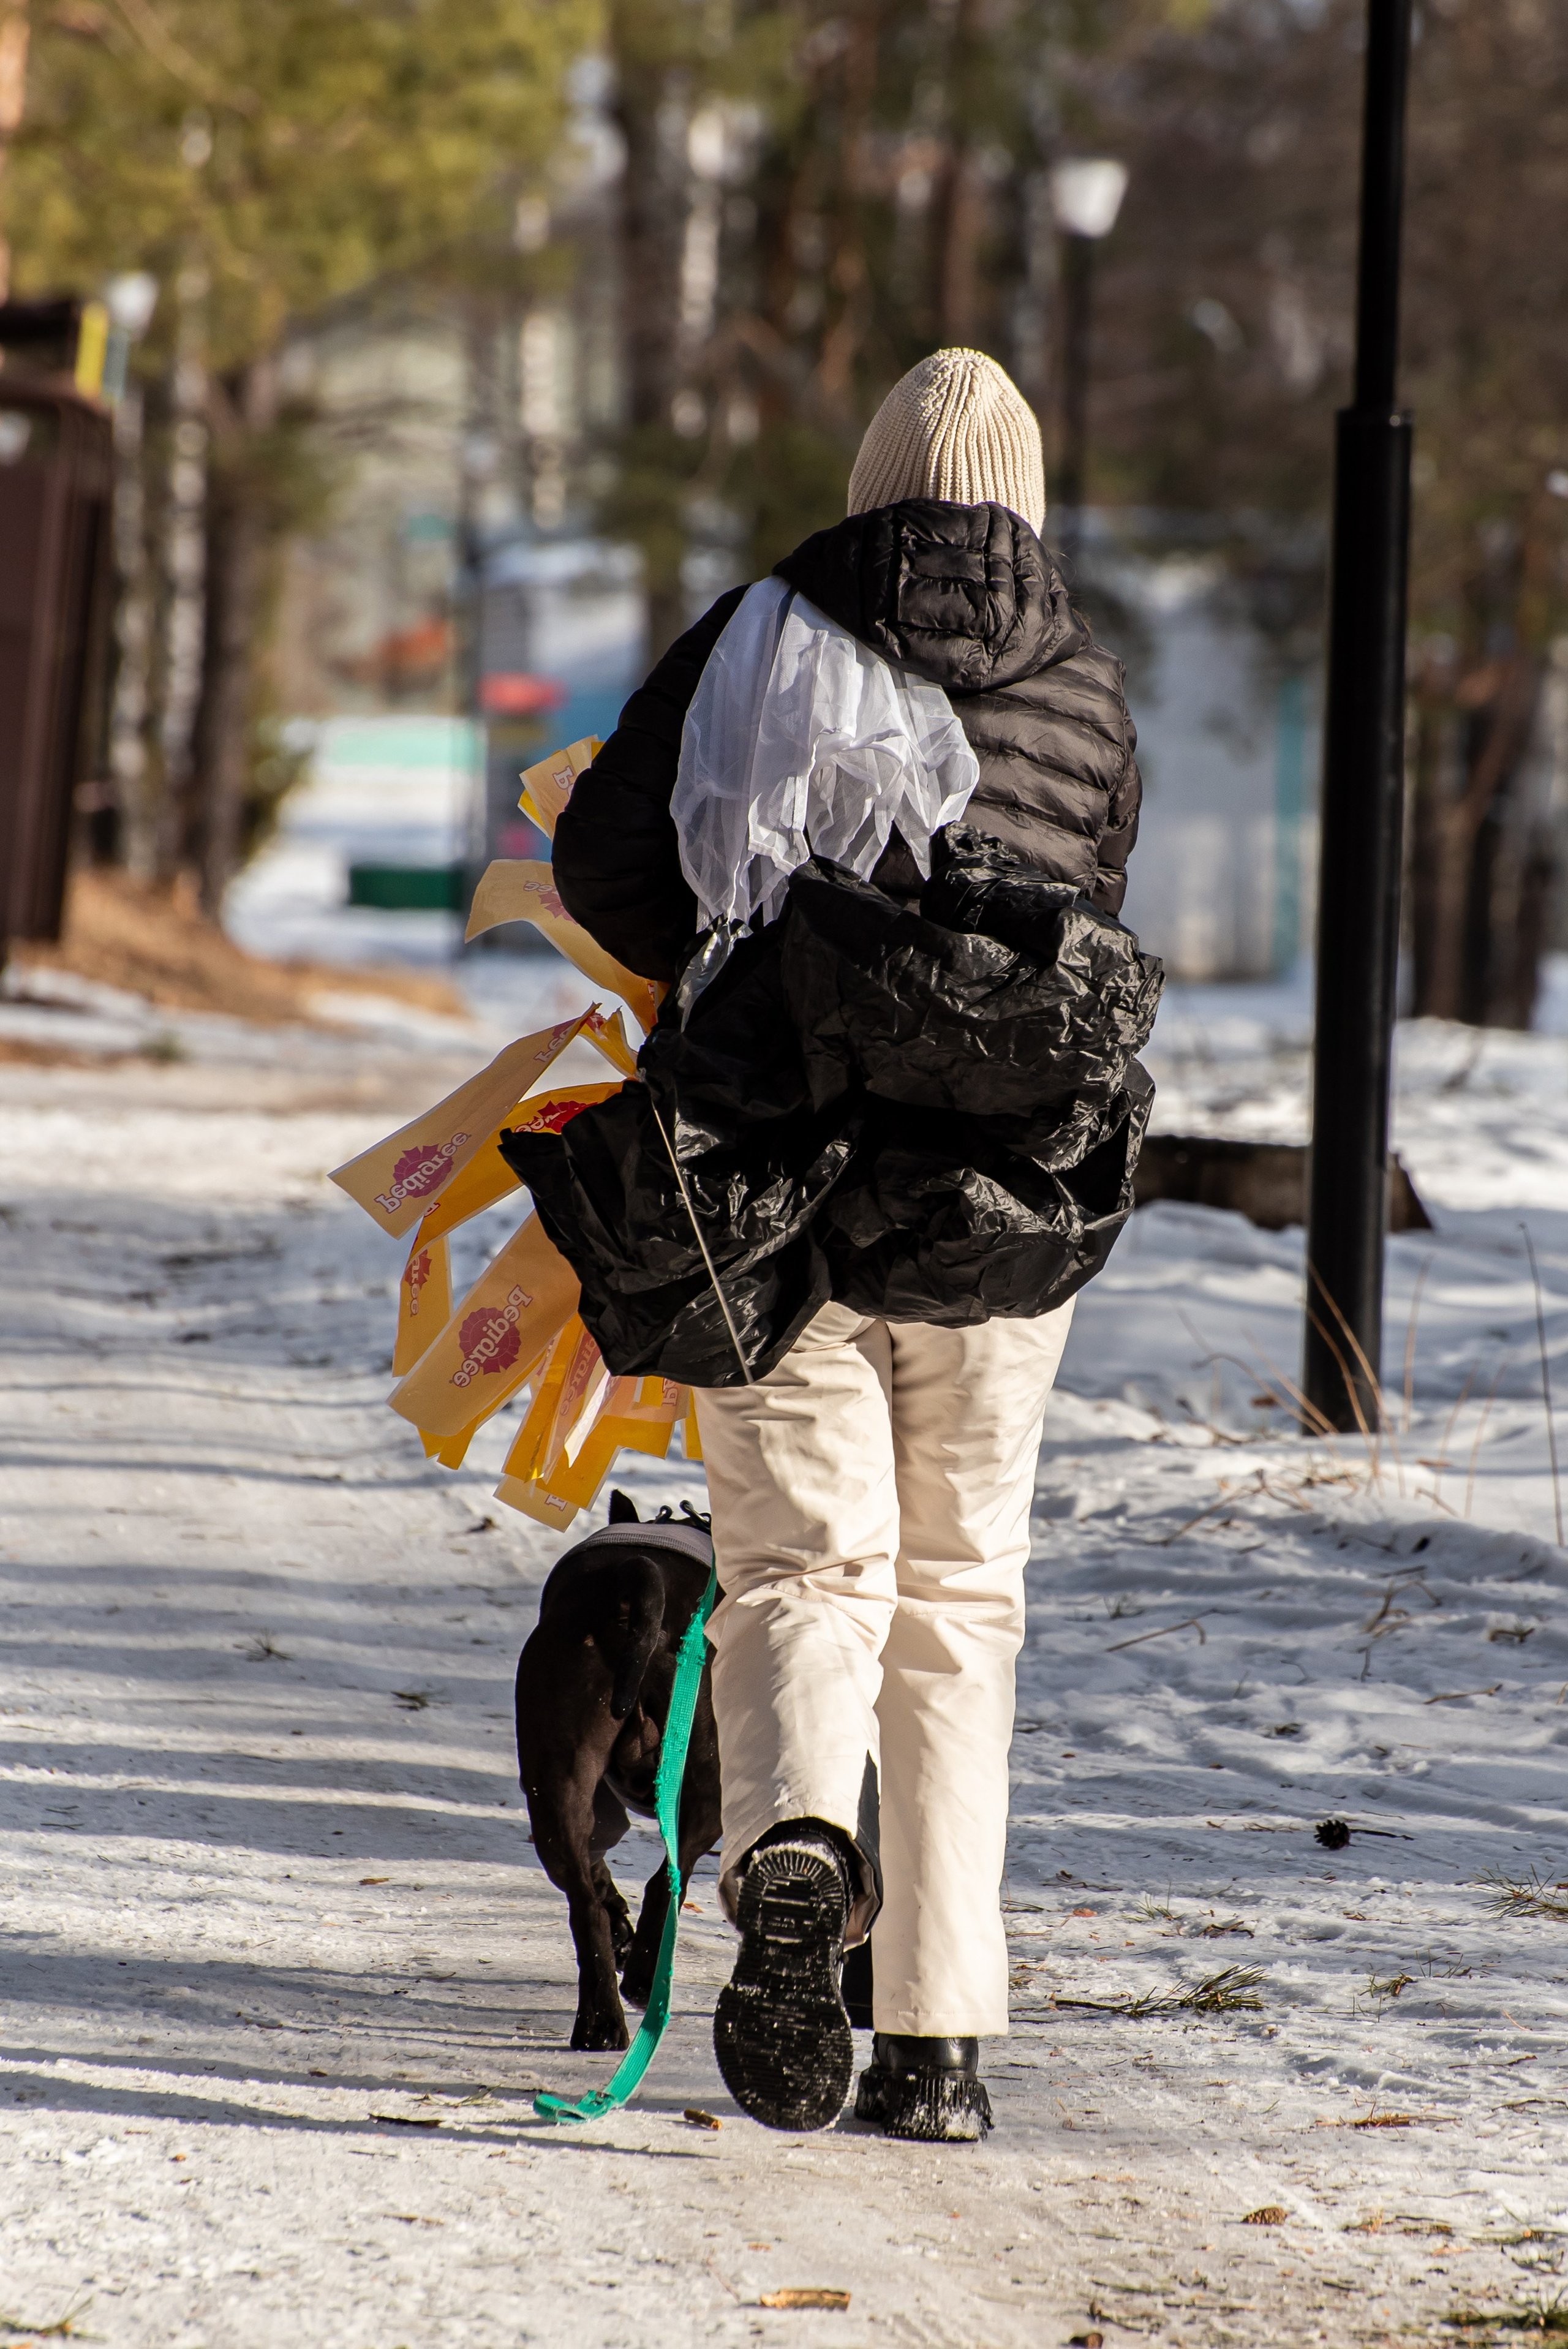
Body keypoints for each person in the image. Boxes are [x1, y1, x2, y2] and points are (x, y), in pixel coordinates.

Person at [538, 348, 1150, 2143]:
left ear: (871, 482)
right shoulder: (1084, 682)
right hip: (999, 1212)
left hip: (764, 1183)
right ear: (1024, 502)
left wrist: (745, 940)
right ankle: (937, 2045)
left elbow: (603, 868)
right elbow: (1086, 916)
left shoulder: (752, 632)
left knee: (805, 1570)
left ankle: (800, 1845)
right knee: (958, 1602)